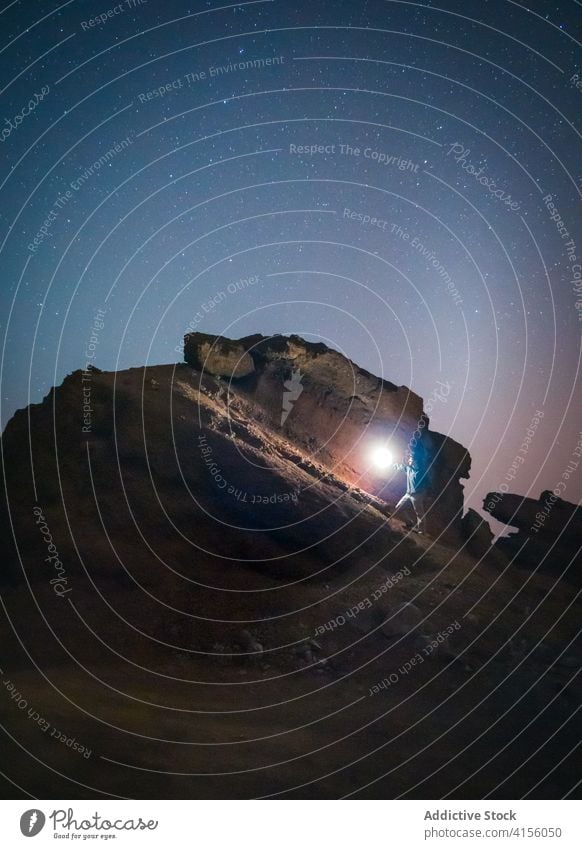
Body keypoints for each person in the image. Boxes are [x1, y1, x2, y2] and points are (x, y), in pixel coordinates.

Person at [390, 450, 430, 534]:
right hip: (408, 494)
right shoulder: (408, 468)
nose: (409, 460)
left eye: (411, 459)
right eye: (409, 459)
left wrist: (425, 494)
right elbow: (400, 466)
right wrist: (392, 464)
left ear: (415, 461)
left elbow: (428, 483)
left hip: (417, 495)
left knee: (419, 513)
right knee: (398, 509)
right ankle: (409, 523)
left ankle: (422, 531)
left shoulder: (421, 471)